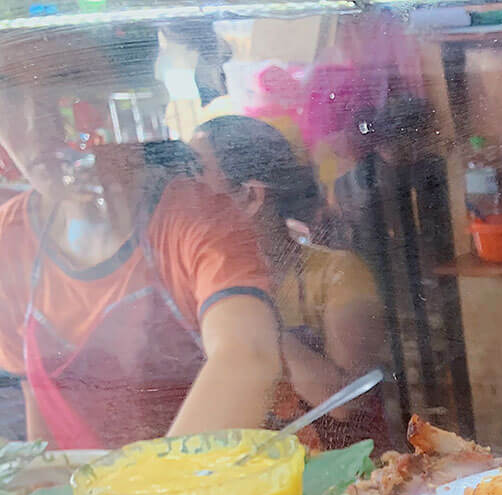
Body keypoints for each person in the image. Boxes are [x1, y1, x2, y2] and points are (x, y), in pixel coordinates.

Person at [0, 29, 282, 449]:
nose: (34, 124)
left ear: (133, 100)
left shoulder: (194, 220)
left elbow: (248, 357)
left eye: (69, 82)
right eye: (9, 93)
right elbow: (42, 426)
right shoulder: (9, 240)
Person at [192, 115, 389, 449]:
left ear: (252, 197)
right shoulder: (200, 287)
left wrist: (249, 323)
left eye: (198, 188)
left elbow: (344, 403)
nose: (187, 209)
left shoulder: (338, 274)